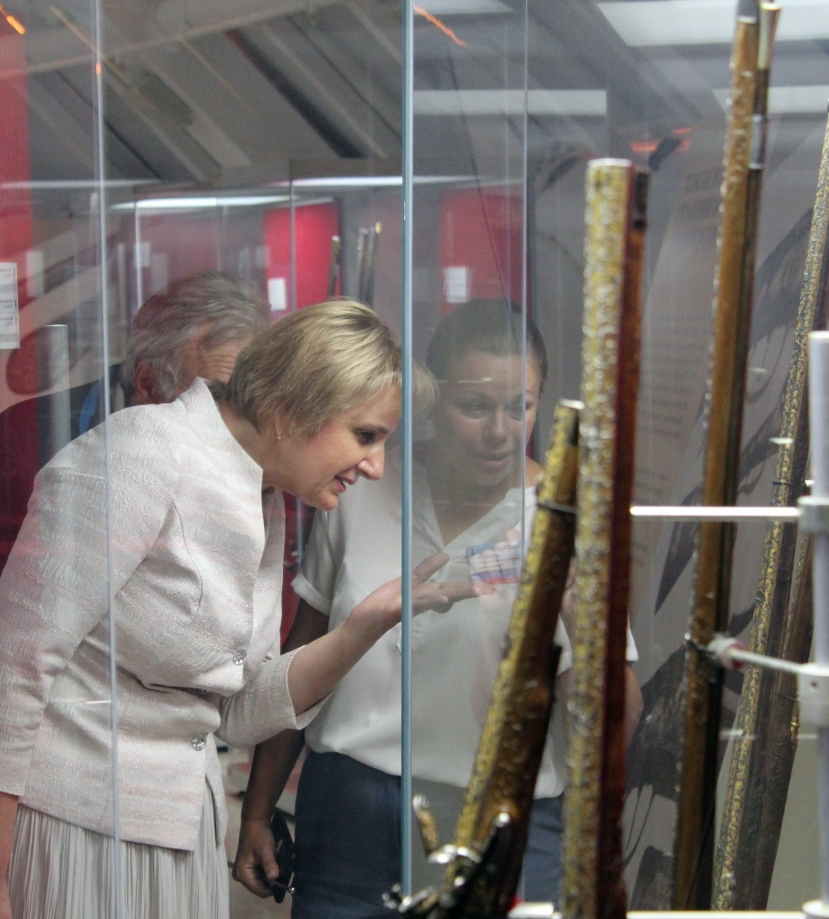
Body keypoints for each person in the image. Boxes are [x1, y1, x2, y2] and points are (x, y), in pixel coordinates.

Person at [0, 300, 490, 919]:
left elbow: (237, 714)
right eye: (366, 436)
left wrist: (363, 625)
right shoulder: (142, 453)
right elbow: (9, 669)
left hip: (175, 824)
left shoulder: (260, 489)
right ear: (295, 405)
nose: (377, 466)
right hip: (66, 820)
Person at [232, 299, 643, 916]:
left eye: (520, 407)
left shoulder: (571, 518)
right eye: (475, 406)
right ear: (431, 401)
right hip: (348, 813)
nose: (500, 431)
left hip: (502, 818)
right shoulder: (361, 482)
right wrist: (257, 811)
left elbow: (619, 726)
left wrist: (579, 618)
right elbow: (302, 656)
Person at [0, 271, 270, 905]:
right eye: (218, 394)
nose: (235, 419)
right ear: (148, 383)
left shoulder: (246, 471)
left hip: (152, 801)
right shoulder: (15, 449)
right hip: (11, 797)